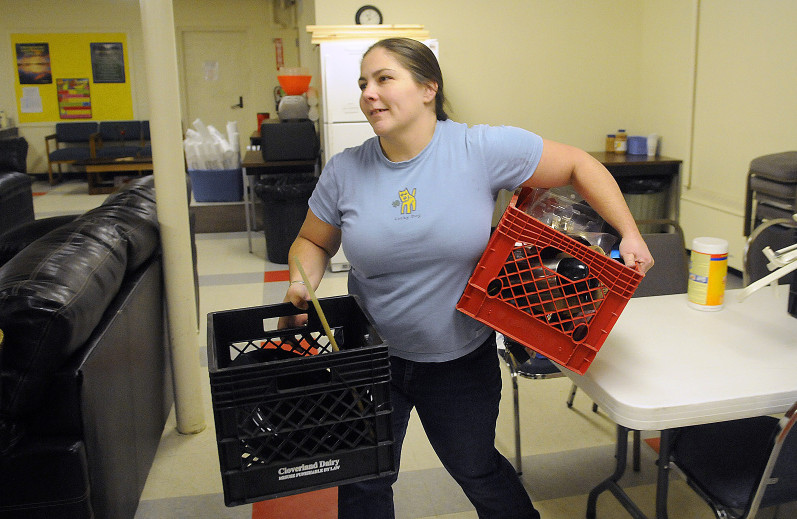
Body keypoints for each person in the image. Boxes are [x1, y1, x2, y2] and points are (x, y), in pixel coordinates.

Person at [281, 38, 654, 519]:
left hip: (460, 359)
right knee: (364, 481)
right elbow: (312, 242)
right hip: (369, 358)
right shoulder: (345, 170)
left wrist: (630, 233)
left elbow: (580, 164)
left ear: (428, 88)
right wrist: (300, 283)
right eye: (362, 84)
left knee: (475, 469)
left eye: (383, 79)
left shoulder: (478, 148)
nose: (368, 94)